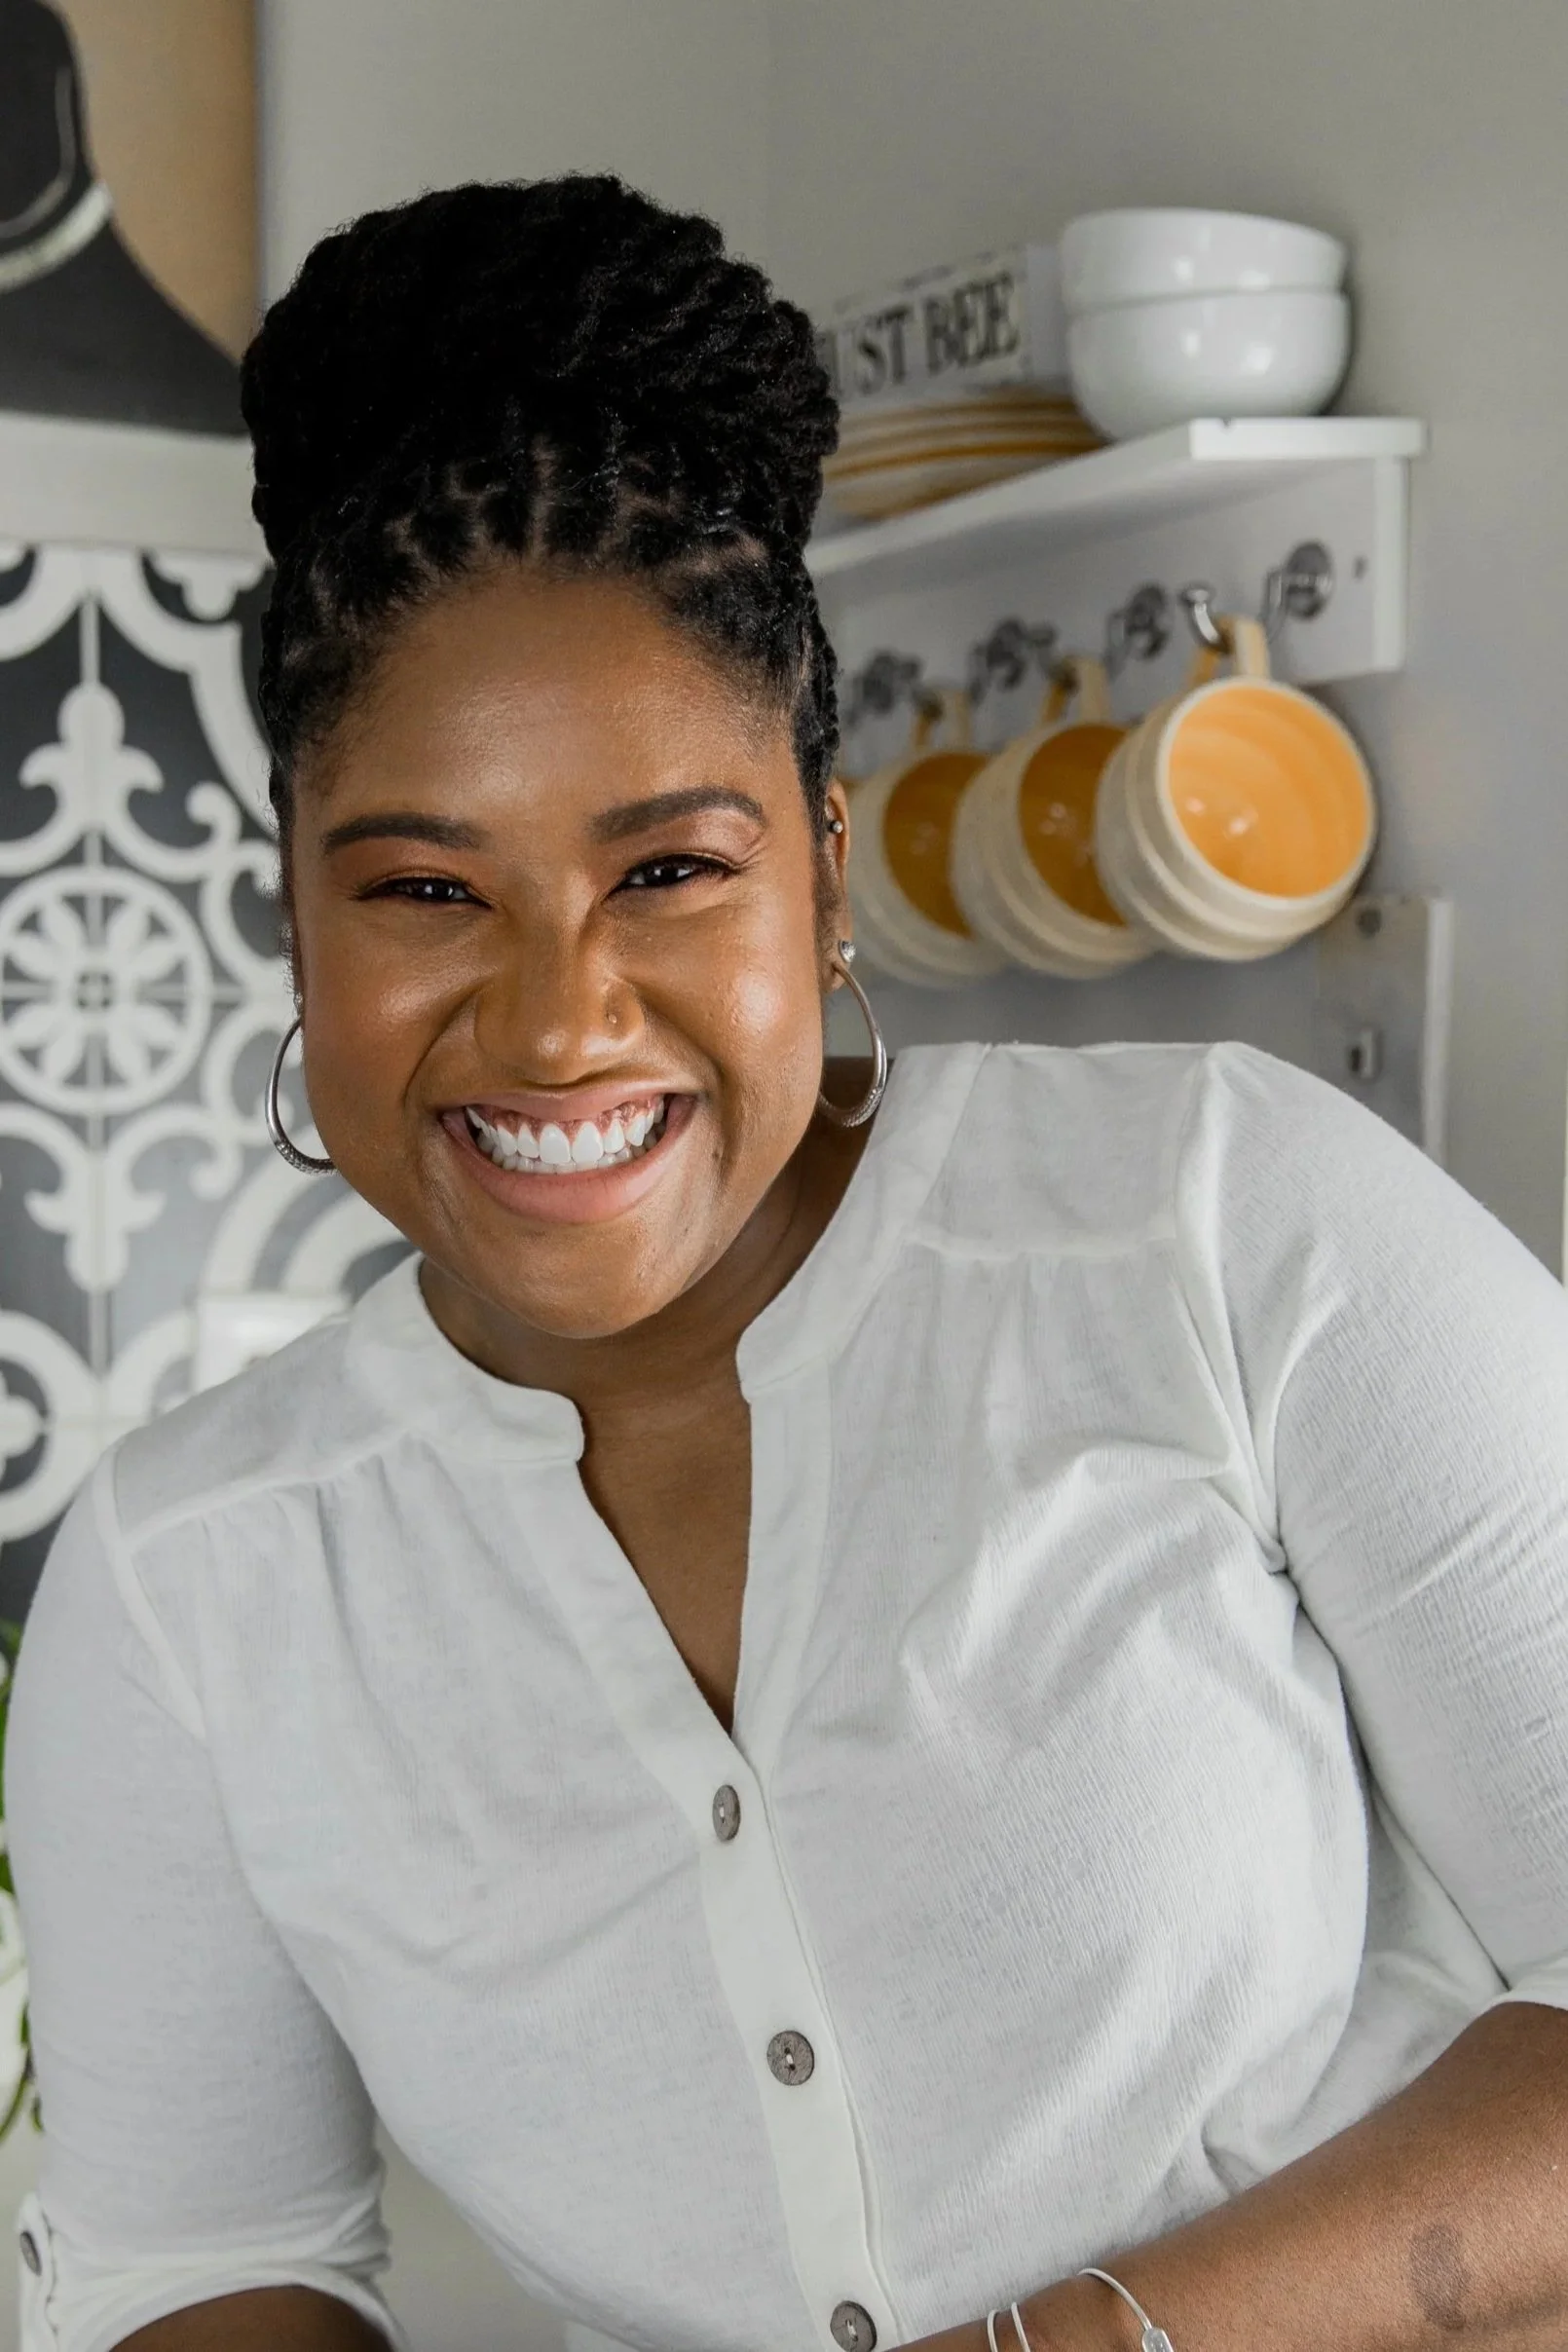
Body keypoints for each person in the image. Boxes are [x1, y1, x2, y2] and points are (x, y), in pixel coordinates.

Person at [8, 174, 1568, 2352]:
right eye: (424, 893)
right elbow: (205, 2266)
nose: (557, 1022)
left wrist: (1073, 2344)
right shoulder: (190, 1586)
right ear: (296, 916)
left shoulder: (1214, 1214)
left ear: (820, 875)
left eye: (667, 867)